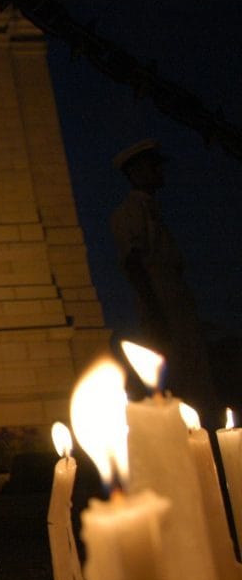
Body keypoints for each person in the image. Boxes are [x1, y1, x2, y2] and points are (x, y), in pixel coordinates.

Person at [109, 139, 216, 416]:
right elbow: (133, 263)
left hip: (174, 296)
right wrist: (156, 312)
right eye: (152, 167)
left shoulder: (149, 209)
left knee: (196, 374)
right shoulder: (129, 212)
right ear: (135, 173)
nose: (160, 173)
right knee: (180, 375)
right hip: (161, 298)